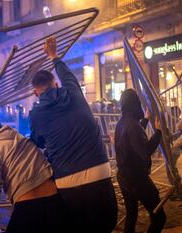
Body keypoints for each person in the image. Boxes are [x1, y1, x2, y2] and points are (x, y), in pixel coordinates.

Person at [29, 37, 117, 233]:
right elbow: (66, 73)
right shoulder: (74, 93)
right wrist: (53, 55)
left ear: (36, 93)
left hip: (67, 180)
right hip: (99, 170)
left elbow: (37, 142)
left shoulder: (36, 115)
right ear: (57, 85)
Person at [0, 117, 69, 233]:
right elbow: (3, 143)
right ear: (0, 128)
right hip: (56, 202)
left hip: (29, 208)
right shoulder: (21, 138)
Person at [115, 89, 166, 233]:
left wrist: (145, 120)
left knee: (132, 214)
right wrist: (158, 132)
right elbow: (144, 151)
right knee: (159, 217)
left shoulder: (122, 122)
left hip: (124, 176)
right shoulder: (132, 125)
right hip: (136, 179)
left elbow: (133, 140)